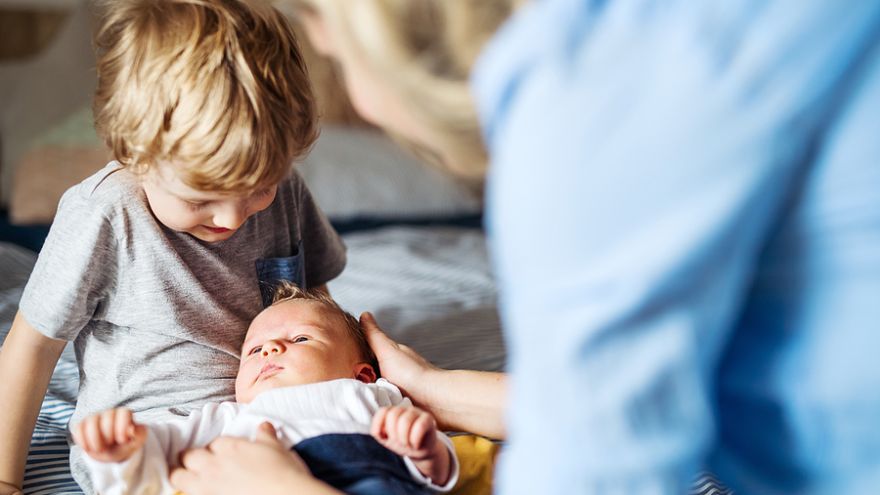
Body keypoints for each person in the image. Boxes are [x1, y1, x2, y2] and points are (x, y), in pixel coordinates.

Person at [171, 0, 880, 494]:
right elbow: (596, 407)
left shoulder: (582, 114)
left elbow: (597, 463)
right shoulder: (677, 36)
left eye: (323, 33)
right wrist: (428, 385)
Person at [0, 1, 347, 494]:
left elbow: (317, 305)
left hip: (273, 421)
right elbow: (30, 349)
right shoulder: (104, 214)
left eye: (259, 187)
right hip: (145, 440)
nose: (231, 217)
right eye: (200, 198)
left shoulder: (286, 190)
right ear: (131, 153)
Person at [73, 284, 459, 495]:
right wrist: (124, 451)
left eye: (301, 338)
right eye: (254, 349)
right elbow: (162, 449)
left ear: (361, 374)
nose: (271, 349)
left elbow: (435, 471)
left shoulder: (372, 396)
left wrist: (426, 451)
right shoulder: (229, 417)